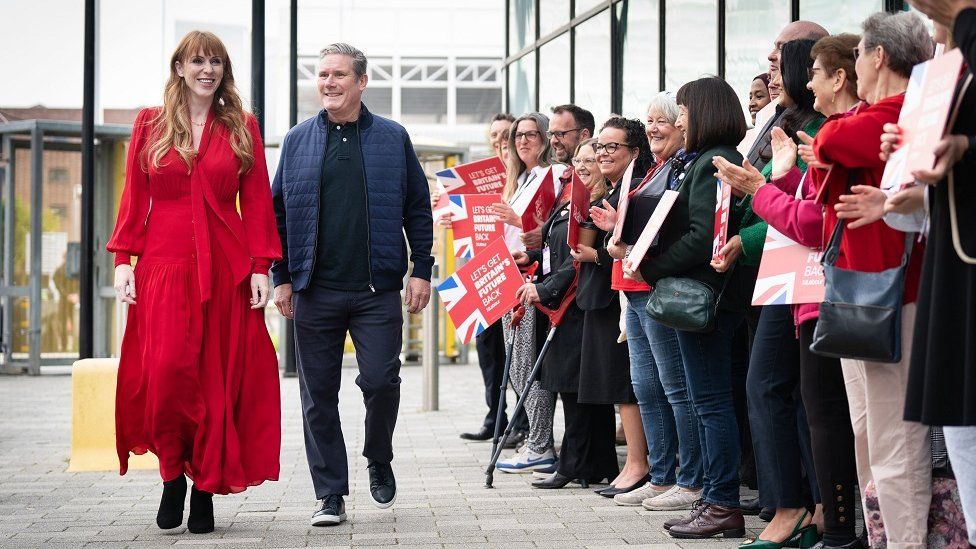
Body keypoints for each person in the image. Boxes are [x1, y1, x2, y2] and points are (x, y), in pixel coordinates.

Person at [107, 30, 281, 535]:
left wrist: (260, 267)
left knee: (216, 381)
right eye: (197, 61)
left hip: (226, 272)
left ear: (224, 72)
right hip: (162, 268)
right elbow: (134, 198)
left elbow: (258, 206)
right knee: (164, 376)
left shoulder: (242, 127)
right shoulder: (149, 125)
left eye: (217, 62)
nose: (208, 69)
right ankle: (171, 475)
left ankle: (204, 487)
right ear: (179, 68)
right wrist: (123, 259)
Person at [270, 42, 433, 526]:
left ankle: (378, 456)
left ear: (361, 82)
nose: (329, 83)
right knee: (317, 395)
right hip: (312, 289)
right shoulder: (298, 139)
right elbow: (276, 213)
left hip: (375, 289)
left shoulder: (391, 137)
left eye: (339, 75)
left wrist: (420, 269)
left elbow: (417, 208)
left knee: (381, 382)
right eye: (323, 75)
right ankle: (330, 494)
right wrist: (281, 277)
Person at [718, 33, 864, 549]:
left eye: (784, 61)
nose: (774, 72)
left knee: (803, 400)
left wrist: (758, 196)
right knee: (799, 398)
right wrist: (768, 186)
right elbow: (796, 206)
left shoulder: (838, 131)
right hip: (791, 279)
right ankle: (813, 511)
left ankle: (816, 513)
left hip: (816, 281)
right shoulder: (800, 127)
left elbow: (813, 221)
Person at [800, 12, 933, 548]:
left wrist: (830, 139)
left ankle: (904, 540)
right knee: (872, 431)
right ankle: (885, 535)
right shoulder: (884, 113)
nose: (851, 67)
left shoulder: (902, 111)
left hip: (894, 290)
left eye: (858, 56)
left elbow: (835, 141)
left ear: (879, 57)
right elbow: (823, 181)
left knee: (895, 438)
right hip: (866, 289)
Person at [631, 76, 749, 539]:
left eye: (682, 110)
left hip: (705, 299)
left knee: (710, 402)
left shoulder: (711, 162)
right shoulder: (701, 161)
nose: (679, 119)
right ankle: (714, 497)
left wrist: (652, 267)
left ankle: (721, 502)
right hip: (708, 297)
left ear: (703, 111)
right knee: (708, 400)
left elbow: (704, 236)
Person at [597, 92, 705, 512]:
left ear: (683, 124)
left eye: (663, 120)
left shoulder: (676, 170)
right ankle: (662, 478)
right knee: (647, 387)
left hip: (657, 289)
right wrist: (616, 225)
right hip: (634, 289)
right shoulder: (656, 170)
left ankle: (688, 479)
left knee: (673, 386)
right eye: (650, 121)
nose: (656, 127)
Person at [514, 137, 618, 490]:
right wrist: (530, 260)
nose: (584, 165)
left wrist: (542, 289)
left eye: (591, 159)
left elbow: (577, 262)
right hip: (561, 306)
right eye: (579, 160)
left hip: (575, 304)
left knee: (576, 388)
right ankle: (593, 462)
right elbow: (552, 249)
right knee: (572, 387)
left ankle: (575, 464)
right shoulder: (570, 202)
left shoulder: (598, 207)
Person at [570, 118, 654, 499]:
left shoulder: (638, 186)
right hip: (617, 294)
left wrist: (600, 252)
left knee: (635, 388)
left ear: (634, 152)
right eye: (596, 148)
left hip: (630, 293)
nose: (600, 155)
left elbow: (635, 244)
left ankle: (644, 465)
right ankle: (641, 464)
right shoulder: (614, 190)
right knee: (631, 387)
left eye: (608, 148)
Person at [494, 112, 563, 474]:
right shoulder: (519, 179)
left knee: (526, 366)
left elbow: (548, 229)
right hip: (507, 276)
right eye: (517, 136)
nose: (523, 141)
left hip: (531, 277)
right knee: (517, 369)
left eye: (531, 134)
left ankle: (540, 444)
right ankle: (536, 439)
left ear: (546, 138)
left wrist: (515, 221)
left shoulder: (553, 175)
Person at [459, 112, 527, 445]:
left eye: (505, 135)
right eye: (494, 136)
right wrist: (452, 216)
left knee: (513, 351)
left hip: (512, 271)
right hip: (484, 272)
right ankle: (495, 417)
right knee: (488, 350)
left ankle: (519, 421)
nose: (499, 142)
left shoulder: (524, 177)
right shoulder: (482, 178)